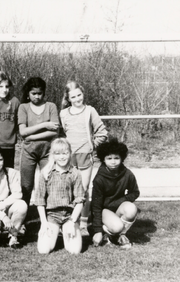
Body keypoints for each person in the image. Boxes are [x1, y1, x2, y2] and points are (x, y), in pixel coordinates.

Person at [60, 81, 108, 235]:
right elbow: (64, 134)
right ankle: (67, 221)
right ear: (68, 98)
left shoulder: (90, 111)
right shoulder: (63, 113)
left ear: (83, 94)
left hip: (85, 156)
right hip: (68, 157)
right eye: (73, 96)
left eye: (79, 95)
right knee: (67, 189)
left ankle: (83, 223)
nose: (77, 98)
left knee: (83, 189)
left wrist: (91, 145)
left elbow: (102, 132)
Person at [33, 138, 85, 255]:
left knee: (75, 251)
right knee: (43, 250)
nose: (62, 157)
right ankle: (55, 233)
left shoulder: (75, 173)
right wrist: (44, 222)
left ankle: (66, 231)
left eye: (65, 153)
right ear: (53, 155)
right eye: (58, 154)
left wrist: (72, 222)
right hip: (52, 216)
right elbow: (40, 200)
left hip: (69, 216)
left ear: (70, 153)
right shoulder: (46, 173)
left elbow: (80, 200)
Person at [91, 137, 139, 249]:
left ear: (122, 158)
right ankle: (105, 232)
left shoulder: (127, 174)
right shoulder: (99, 179)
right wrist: (97, 230)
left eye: (116, 158)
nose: (113, 162)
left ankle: (121, 235)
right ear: (103, 159)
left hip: (118, 207)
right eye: (109, 158)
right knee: (117, 226)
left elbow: (135, 192)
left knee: (131, 209)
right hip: (105, 210)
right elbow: (96, 206)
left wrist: (122, 200)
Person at [18, 77, 59, 205]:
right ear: (28, 94)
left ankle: (48, 214)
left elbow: (54, 131)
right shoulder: (23, 107)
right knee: (26, 185)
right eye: (33, 94)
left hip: (47, 151)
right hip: (28, 151)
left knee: (48, 181)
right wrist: (44, 125)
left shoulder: (51, 106)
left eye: (39, 93)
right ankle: (23, 216)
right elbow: (23, 132)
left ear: (44, 93)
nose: (37, 97)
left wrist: (32, 136)